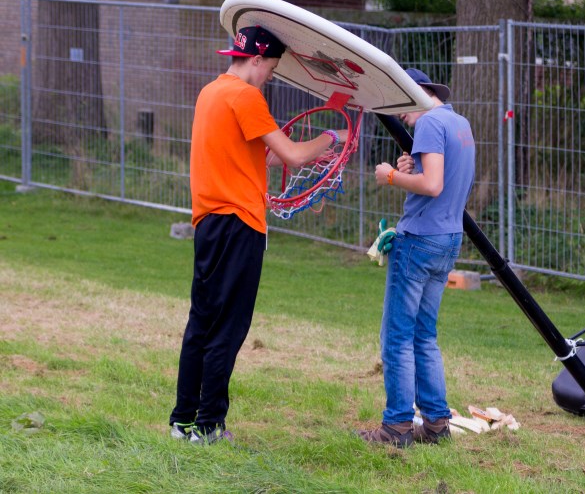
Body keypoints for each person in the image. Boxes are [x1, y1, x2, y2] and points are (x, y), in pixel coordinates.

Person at [169, 25, 345, 445]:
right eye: (272, 67)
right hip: (239, 223)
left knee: (202, 322)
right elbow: (293, 155)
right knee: (228, 327)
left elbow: (251, 152)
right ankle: (210, 426)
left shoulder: (212, 92)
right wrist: (332, 137)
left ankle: (183, 422)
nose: (270, 75)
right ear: (257, 59)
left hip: (209, 222)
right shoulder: (247, 95)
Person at [358, 68, 476, 447]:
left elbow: (432, 185)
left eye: (403, 103)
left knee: (397, 336)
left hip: (419, 241)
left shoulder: (428, 124)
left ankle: (396, 428)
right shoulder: (459, 123)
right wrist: (414, 168)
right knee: (425, 336)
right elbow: (441, 179)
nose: (402, 114)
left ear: (419, 94)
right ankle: (437, 425)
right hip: (448, 239)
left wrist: (391, 175)